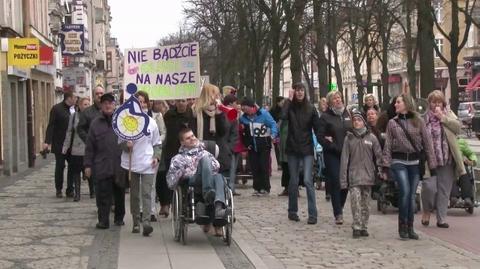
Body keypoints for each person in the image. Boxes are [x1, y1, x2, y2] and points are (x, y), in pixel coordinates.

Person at [382, 93, 437, 240]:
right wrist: (386, 166)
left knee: (412, 196)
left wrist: (432, 166)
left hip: (414, 162)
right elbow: (387, 145)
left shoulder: (418, 121)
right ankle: (402, 226)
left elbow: (427, 144)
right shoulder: (392, 123)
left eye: (398, 102)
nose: (395, 105)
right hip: (398, 161)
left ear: (406, 104)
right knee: (405, 191)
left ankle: (410, 227)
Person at [421, 90, 465, 229]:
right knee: (429, 187)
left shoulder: (449, 114)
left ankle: (441, 219)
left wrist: (443, 118)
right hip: (430, 161)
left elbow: (458, 128)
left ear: (443, 103)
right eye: (433, 102)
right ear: (429, 103)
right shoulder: (424, 118)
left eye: (439, 101)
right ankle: (427, 211)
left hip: (447, 158)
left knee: (444, 190)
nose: (436, 105)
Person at [167, 128, 228, 227]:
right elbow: (171, 181)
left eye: (193, 136)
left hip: (210, 179)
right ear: (182, 142)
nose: (192, 139)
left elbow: (217, 167)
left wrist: (206, 168)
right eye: (188, 138)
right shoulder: (178, 159)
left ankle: (218, 207)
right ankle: (208, 193)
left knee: (219, 176)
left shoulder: (206, 153)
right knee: (204, 159)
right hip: (193, 181)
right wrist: (184, 172)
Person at [120, 91, 162, 236]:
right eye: (139, 102)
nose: (142, 104)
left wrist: (157, 157)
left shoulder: (151, 122)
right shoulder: (127, 120)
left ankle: (146, 222)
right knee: (135, 195)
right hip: (133, 163)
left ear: (148, 103)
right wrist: (127, 145)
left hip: (148, 162)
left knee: (146, 193)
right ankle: (136, 221)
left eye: (144, 102)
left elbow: (157, 143)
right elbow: (120, 143)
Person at [84, 93, 125, 229]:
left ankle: (119, 218)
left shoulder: (121, 121)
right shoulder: (95, 124)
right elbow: (90, 146)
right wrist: (88, 165)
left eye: (110, 103)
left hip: (119, 163)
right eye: (105, 103)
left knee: (119, 193)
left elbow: (129, 138)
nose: (108, 105)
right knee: (103, 194)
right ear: (101, 105)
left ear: (114, 105)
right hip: (101, 163)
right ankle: (103, 220)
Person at [282, 83, 322, 224]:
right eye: (297, 90)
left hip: (306, 148)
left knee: (307, 180)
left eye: (301, 90)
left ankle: (313, 214)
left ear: (305, 92)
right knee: (293, 181)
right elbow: (283, 116)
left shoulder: (311, 108)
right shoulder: (290, 107)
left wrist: (324, 140)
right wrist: (288, 100)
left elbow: (317, 127)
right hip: (293, 148)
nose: (299, 93)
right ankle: (292, 211)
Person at [340, 111, 383, 238]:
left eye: (359, 120)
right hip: (354, 176)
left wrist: (381, 170)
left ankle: (364, 225)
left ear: (364, 122)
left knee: (366, 204)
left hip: (368, 175)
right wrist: (343, 180)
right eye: (354, 120)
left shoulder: (372, 138)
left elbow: (378, 156)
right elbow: (344, 159)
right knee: (355, 202)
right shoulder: (349, 138)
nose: (356, 122)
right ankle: (357, 225)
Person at [318, 90, 352, 225]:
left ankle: (340, 206)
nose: (338, 100)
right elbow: (320, 136)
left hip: (348, 153)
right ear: (330, 102)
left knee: (346, 183)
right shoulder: (325, 117)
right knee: (337, 181)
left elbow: (355, 129)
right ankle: (338, 213)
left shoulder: (348, 114)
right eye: (334, 99)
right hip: (332, 153)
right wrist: (330, 144)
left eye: (339, 98)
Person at [160, 99, 194, 216]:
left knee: (186, 179)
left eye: (183, 101)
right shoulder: (169, 115)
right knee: (170, 179)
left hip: (187, 152)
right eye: (179, 101)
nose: (181, 103)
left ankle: (187, 205)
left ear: (187, 102)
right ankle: (166, 204)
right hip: (171, 151)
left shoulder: (191, 114)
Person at [239, 97, 278, 195]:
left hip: (264, 144)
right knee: (254, 167)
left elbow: (273, 124)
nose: (244, 111)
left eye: (245, 109)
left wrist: (273, 135)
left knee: (263, 166)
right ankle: (257, 188)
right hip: (252, 146)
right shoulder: (243, 118)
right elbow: (242, 132)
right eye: (243, 110)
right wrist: (246, 144)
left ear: (252, 107)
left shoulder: (263, 114)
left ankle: (265, 188)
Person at [190, 84, 230, 178]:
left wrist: (219, 114)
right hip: (201, 151)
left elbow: (223, 131)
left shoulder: (219, 112)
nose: (218, 97)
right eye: (216, 94)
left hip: (218, 152)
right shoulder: (195, 112)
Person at [44, 91, 77, 198]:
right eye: (75, 97)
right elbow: (51, 126)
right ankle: (58, 189)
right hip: (60, 144)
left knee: (72, 167)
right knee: (60, 166)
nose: (76, 99)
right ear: (69, 98)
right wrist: (47, 142)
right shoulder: (56, 109)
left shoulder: (75, 109)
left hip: (72, 144)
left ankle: (70, 189)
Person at [77, 85, 105, 198]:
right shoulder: (87, 112)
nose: (99, 96)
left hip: (107, 149)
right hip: (93, 149)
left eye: (101, 93)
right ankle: (95, 190)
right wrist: (89, 140)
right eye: (97, 94)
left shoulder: (110, 110)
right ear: (94, 96)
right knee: (95, 173)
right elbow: (80, 129)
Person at [62, 97, 91, 201]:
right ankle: (77, 194)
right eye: (85, 104)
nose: (87, 106)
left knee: (89, 172)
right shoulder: (74, 116)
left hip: (89, 148)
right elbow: (69, 132)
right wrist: (65, 146)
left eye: (88, 104)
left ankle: (92, 191)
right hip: (76, 148)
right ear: (79, 106)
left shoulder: (93, 117)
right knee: (76, 172)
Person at [151, 100, 167, 221]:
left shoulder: (158, 116)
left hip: (155, 150)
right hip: (140, 152)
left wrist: (156, 141)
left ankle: (151, 210)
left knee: (152, 182)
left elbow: (163, 133)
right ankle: (141, 210)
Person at [223, 94, 241, 196]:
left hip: (230, 148)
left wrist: (230, 147)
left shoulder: (233, 115)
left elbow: (234, 134)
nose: (237, 105)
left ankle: (230, 189)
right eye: (235, 103)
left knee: (232, 170)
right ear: (230, 103)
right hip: (222, 147)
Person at [450, 138, 477, 206]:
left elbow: (471, 154)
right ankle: (454, 196)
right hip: (449, 164)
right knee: (450, 173)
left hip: (461, 164)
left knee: (464, 171)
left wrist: (471, 161)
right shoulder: (443, 138)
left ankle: (467, 197)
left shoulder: (461, 141)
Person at [270, 96, 285, 169]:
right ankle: (279, 163)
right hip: (276, 131)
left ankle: (283, 162)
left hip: (283, 131)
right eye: (282, 102)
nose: (283, 103)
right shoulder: (272, 110)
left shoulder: (285, 109)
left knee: (283, 146)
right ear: (278, 102)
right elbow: (270, 120)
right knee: (277, 147)